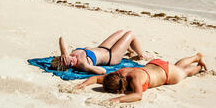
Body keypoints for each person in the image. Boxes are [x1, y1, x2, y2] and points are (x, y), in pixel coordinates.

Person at [76, 52, 207, 103]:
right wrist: (83, 84)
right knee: (178, 67)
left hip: (166, 73)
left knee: (184, 73)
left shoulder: (134, 78)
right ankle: (196, 57)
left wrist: (117, 99)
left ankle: (198, 65)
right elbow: (96, 78)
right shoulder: (121, 73)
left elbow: (138, 95)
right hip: (155, 64)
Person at [50, 30, 150, 75]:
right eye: (70, 63)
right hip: (112, 56)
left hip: (103, 47)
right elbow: (103, 71)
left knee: (122, 32)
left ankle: (131, 51)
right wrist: (88, 67)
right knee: (130, 34)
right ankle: (141, 55)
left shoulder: (70, 55)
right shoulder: (82, 64)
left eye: (67, 59)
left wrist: (64, 53)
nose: (71, 60)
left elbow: (61, 38)